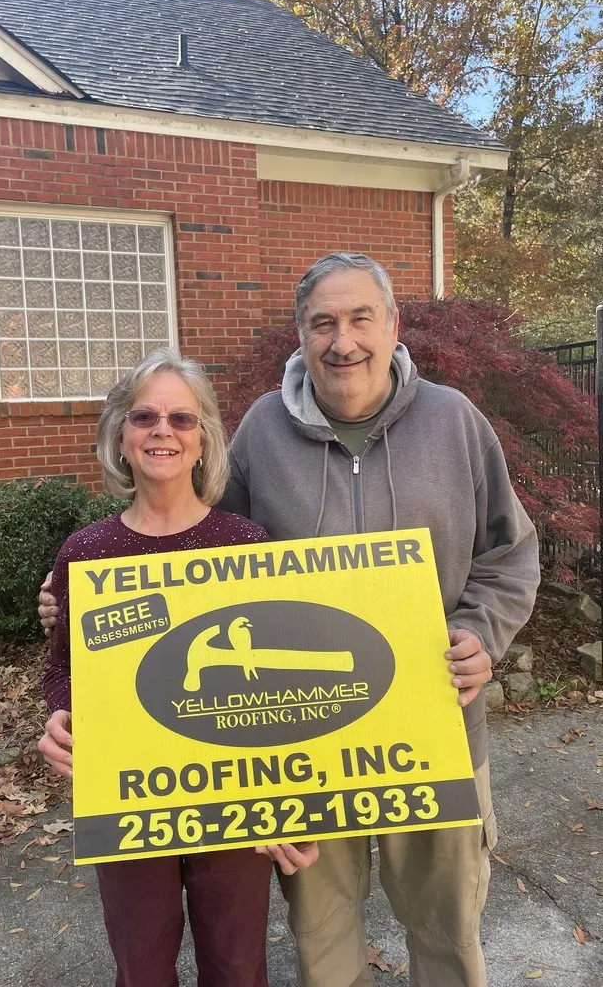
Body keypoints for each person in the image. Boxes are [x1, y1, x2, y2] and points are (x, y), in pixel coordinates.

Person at [41, 255, 540, 987]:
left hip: (431, 728)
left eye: (360, 318)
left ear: (392, 324)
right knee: (323, 933)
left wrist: (482, 632)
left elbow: (511, 550)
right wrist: (80, 599)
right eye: (323, 323)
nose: (344, 341)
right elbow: (197, 548)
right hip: (302, 745)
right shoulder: (262, 433)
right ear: (300, 335)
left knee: (446, 928)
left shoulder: (455, 421)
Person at [37, 347, 317, 987]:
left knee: (238, 965)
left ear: (204, 441)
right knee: (141, 966)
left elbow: (281, 688)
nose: (163, 430)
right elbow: (63, 669)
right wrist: (59, 716)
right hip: (130, 795)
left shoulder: (246, 544)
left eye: (182, 419)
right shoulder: (88, 552)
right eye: (144, 417)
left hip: (234, 794)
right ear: (121, 435)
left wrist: (295, 802)